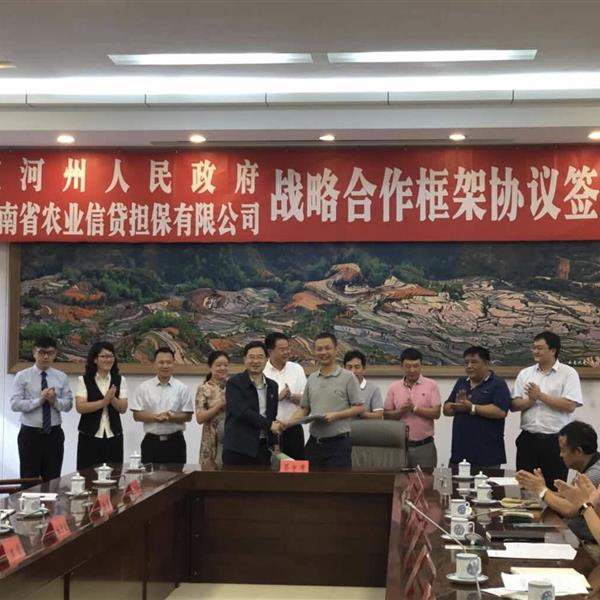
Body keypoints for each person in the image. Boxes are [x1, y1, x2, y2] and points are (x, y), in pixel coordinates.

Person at [511, 331, 583, 489]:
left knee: (554, 488)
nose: (535, 351)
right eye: (534, 348)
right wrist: (530, 401)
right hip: (528, 440)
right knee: (524, 487)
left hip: (555, 442)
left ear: (553, 350)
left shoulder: (568, 373)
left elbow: (570, 405)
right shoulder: (525, 373)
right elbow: (514, 405)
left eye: (540, 348)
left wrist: (540, 396)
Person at [286, 332, 363, 468]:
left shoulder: (348, 377)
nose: (323, 352)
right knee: (310, 481)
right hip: (314, 444)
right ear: (314, 351)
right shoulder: (312, 378)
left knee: (336, 482)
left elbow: (359, 407)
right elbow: (304, 409)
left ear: (335, 350)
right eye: (319, 349)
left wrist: (336, 415)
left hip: (339, 445)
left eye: (327, 348)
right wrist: (286, 423)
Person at [517, 420, 600, 542]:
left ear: (578, 451)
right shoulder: (589, 467)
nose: (560, 455)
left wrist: (542, 491)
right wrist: (539, 488)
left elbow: (570, 508)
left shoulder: (595, 474)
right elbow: (568, 498)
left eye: (563, 450)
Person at [10, 336, 73, 480]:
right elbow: (15, 404)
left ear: (55, 354)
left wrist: (54, 401)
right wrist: (39, 400)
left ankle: (50, 497)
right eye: (42, 352)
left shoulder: (61, 377)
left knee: (53, 479)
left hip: (54, 434)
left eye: (50, 353)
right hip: (30, 434)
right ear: (34, 352)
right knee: (28, 478)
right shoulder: (22, 376)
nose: (46, 356)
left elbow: (68, 405)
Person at [443, 346, 511, 470]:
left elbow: (500, 411)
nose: (469, 366)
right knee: (456, 483)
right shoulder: (461, 382)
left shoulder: (498, 384)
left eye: (474, 362)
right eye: (466, 362)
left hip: (487, 455)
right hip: (459, 454)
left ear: (486, 364)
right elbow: (446, 409)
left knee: (487, 484)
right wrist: (456, 406)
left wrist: (472, 408)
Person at [130, 347, 194, 465]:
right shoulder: (143, 387)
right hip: (151, 442)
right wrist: (155, 417)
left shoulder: (182, 388)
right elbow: (137, 415)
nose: (165, 366)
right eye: (161, 362)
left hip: (175, 442)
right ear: (155, 364)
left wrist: (170, 417)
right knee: (149, 476)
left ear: (173, 364)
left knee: (177, 476)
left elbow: (188, 416)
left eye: (168, 362)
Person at [222, 341, 281, 466]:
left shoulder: (273, 386)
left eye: (260, 357)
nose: (255, 361)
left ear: (266, 359)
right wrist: (269, 425)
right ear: (245, 359)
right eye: (251, 357)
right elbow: (241, 412)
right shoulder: (234, 383)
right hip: (238, 448)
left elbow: (272, 415)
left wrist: (274, 442)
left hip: (263, 447)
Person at [384, 347, 441, 468]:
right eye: (408, 366)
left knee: (425, 479)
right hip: (399, 447)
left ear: (421, 365)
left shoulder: (431, 385)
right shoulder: (394, 387)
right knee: (399, 479)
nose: (412, 370)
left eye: (416, 366)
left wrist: (414, 408)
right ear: (401, 366)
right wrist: (401, 411)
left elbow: (436, 413)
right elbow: (387, 415)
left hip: (424, 446)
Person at [75, 341, 128, 470]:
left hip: (113, 435)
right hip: (89, 436)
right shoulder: (84, 380)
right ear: (95, 359)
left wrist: (112, 398)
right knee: (87, 475)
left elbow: (123, 408)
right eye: (103, 356)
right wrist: (104, 401)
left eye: (111, 356)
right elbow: (80, 407)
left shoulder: (120, 380)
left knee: (113, 474)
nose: (108, 359)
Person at [264, 332, 307, 459]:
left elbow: (306, 400)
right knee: (269, 468)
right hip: (269, 429)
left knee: (295, 467)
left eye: (288, 348)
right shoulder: (262, 371)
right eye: (282, 349)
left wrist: (291, 396)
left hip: (293, 428)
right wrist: (277, 398)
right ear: (270, 351)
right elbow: (256, 402)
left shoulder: (297, 369)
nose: (287, 352)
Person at [195, 350, 229, 469]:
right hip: (210, 437)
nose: (222, 368)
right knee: (210, 475)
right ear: (210, 367)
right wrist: (219, 405)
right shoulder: (203, 388)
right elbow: (200, 418)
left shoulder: (233, 386)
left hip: (229, 436)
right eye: (218, 365)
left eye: (225, 365)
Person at [343, 350, 384, 419]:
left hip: (363, 425)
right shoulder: (339, 387)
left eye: (357, 367)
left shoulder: (373, 388)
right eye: (349, 367)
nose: (353, 371)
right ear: (344, 369)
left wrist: (360, 412)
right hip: (341, 425)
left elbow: (379, 416)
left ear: (364, 368)